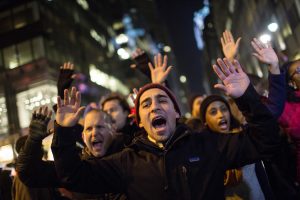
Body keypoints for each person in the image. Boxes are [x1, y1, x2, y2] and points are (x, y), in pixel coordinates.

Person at [52, 57, 280, 199]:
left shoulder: (209, 144)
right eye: (146, 104)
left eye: (162, 100)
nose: (154, 108)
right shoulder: (126, 162)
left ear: (176, 112)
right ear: (139, 121)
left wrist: (247, 97)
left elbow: (265, 141)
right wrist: (63, 131)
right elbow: (73, 176)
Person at [16, 103, 126, 199]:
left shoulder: (129, 159)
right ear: (83, 137)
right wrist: (33, 140)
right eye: (89, 129)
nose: (94, 133)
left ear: (113, 130)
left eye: (100, 127)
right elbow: (29, 173)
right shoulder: (72, 166)